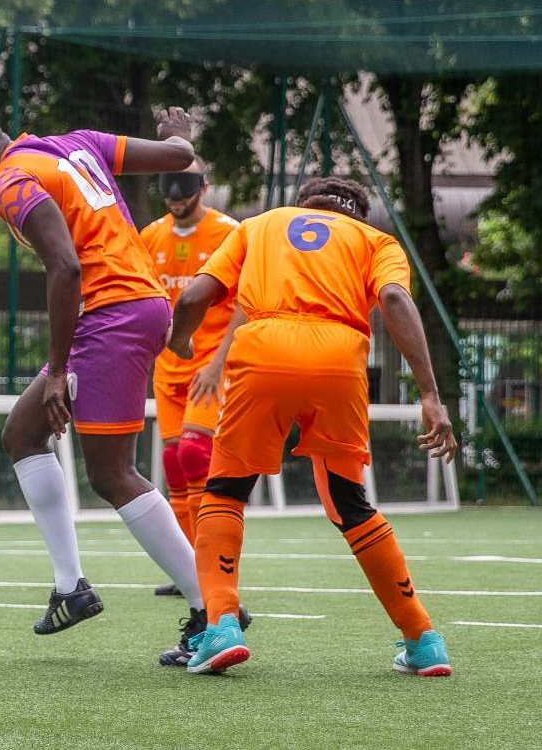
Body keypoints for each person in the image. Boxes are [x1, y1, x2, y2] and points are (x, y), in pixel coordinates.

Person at [0, 107, 207, 657]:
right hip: (135, 305)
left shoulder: (10, 179)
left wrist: (58, 371)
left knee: (112, 474)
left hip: (110, 314)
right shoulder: (79, 142)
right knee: (23, 434)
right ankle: (70, 588)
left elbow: (66, 267)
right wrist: (179, 136)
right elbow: (179, 158)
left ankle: (212, 608)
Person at [168, 176, 458, 676]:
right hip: (339, 362)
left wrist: (179, 339)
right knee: (349, 502)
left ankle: (221, 626)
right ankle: (422, 638)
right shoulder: (376, 241)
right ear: (356, 215)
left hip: (263, 353)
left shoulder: (259, 225)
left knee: (224, 491)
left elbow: (194, 296)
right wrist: (430, 396)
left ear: (304, 205)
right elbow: (394, 301)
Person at [140, 157, 243, 598]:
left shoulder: (230, 233)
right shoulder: (150, 235)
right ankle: (188, 570)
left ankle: (209, 566)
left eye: (185, 188)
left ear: (204, 185)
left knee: (195, 454)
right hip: (168, 368)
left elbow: (246, 301)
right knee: (173, 464)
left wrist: (218, 362)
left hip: (211, 367)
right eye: (168, 188)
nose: (175, 198)